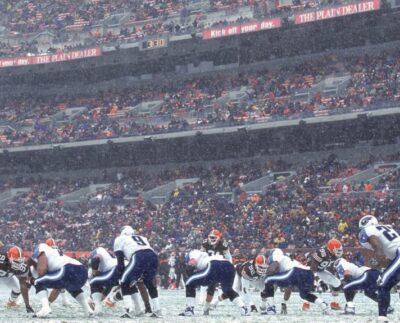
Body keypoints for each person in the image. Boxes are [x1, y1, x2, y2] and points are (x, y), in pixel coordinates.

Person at [179, 249, 249, 317]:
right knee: (227, 289)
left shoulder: (192, 253)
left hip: (214, 265)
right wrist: (206, 308)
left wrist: (190, 273)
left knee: (189, 282)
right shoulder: (205, 258)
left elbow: (192, 263)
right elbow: (211, 290)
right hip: (229, 266)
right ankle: (243, 308)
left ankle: (189, 309)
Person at [32, 243, 93, 318]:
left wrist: (37, 270)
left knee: (37, 281)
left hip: (67, 268)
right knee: (70, 286)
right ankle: (88, 309)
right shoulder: (54, 253)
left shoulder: (42, 247)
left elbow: (42, 271)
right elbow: (57, 288)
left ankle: (45, 308)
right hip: (82, 270)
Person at [261, 248, 329, 315]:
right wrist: (284, 302)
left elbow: (274, 267)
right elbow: (288, 287)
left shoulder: (275, 256)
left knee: (268, 279)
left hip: (295, 271)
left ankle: (271, 308)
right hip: (308, 274)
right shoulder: (286, 260)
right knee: (304, 295)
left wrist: (266, 273)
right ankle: (323, 305)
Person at [359, 215, 400, 322]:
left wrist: (381, 263)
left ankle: (382, 317)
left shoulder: (368, 230)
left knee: (383, 284)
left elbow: (377, 246)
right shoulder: (387, 227)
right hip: (397, 255)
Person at [113, 225, 161, 318]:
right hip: (153, 256)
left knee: (124, 282)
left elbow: (120, 261)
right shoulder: (142, 237)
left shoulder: (119, 239)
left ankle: (129, 310)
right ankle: (157, 310)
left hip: (139, 256)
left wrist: (121, 275)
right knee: (149, 283)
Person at [199, 229, 232, 313]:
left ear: (218, 238)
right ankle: (202, 299)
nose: (212, 239)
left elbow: (228, 256)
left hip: (219, 265)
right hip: (208, 263)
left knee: (219, 283)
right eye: (211, 237)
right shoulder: (205, 243)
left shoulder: (223, 244)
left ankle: (217, 300)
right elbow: (201, 254)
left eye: (214, 237)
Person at [305, 238, 343, 310]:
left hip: (320, 270)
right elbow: (313, 268)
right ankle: (306, 304)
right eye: (337, 250)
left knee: (337, 283)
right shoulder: (321, 253)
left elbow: (331, 267)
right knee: (311, 285)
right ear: (331, 249)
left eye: (340, 250)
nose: (339, 252)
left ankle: (334, 303)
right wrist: (319, 281)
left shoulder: (333, 255)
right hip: (308, 270)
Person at [0, 246, 34, 313]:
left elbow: (23, 284)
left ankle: (10, 302)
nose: (18, 263)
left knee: (17, 289)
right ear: (8, 255)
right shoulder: (2, 257)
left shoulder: (23, 266)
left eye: (20, 260)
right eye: (15, 260)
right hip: (4, 272)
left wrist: (27, 305)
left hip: (6, 276)